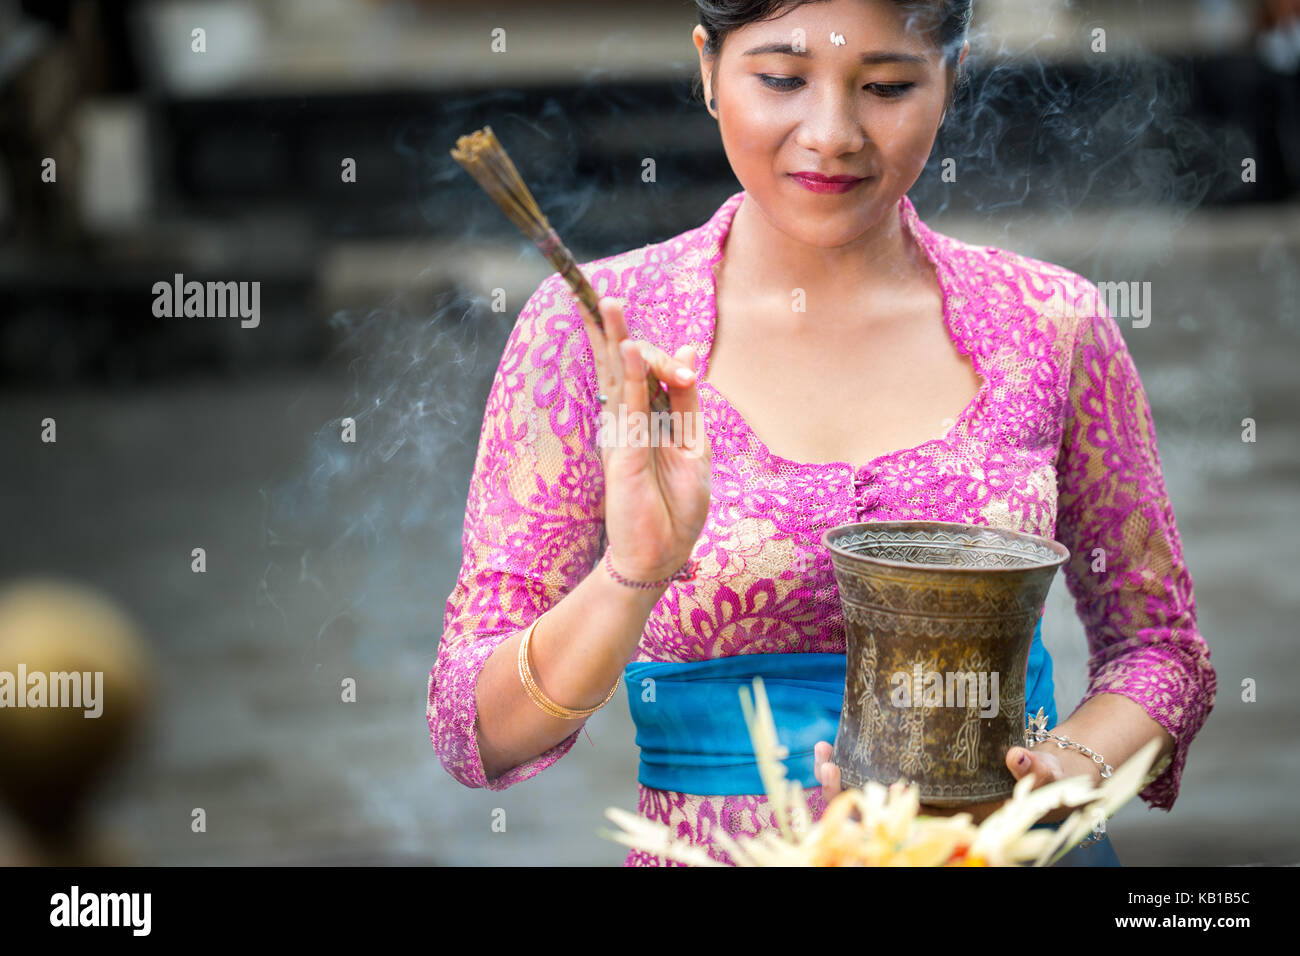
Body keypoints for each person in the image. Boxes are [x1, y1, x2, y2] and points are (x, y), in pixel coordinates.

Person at [426, 0, 1216, 867]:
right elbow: (475, 730)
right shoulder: (594, 337)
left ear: (949, 78)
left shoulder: (1051, 326)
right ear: (708, 70)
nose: (833, 133)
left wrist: (1053, 776)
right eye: (780, 79)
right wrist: (630, 577)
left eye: (885, 85)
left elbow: (1161, 653)